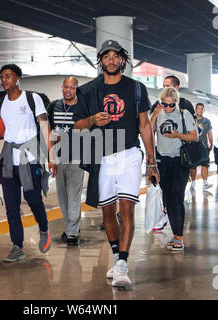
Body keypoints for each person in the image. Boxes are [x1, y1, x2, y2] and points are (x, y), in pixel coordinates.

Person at [73, 39, 159, 289]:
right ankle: (116, 256)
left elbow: (145, 125)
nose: (111, 60)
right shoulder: (88, 90)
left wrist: (151, 161)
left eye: (116, 56)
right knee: (107, 212)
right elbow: (76, 124)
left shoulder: (136, 88)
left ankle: (123, 263)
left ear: (123, 59)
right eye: (106, 56)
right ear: (101, 60)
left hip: (130, 154)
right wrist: (92, 119)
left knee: (127, 209)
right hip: (102, 157)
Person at [0, 64, 57, 262]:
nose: (4, 80)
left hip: (30, 157)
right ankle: (17, 247)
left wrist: (52, 157)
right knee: (11, 206)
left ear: (17, 78)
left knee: (33, 199)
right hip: (8, 158)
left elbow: (45, 126)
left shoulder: (31, 98)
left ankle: (44, 229)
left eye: (8, 76)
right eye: (2, 77)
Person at [150, 86, 198, 251]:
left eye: (172, 105)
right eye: (165, 104)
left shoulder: (185, 114)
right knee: (168, 199)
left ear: (176, 102)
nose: (168, 108)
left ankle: (179, 237)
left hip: (180, 161)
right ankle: (176, 233)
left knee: (177, 196)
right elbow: (148, 134)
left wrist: (177, 135)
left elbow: (194, 136)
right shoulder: (157, 114)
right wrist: (155, 114)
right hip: (163, 161)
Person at [48, 76, 85, 246]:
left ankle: (72, 233)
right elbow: (49, 132)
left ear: (76, 89)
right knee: (62, 196)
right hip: (59, 156)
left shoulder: (83, 107)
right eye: (66, 87)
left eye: (72, 87)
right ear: (62, 88)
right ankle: (71, 227)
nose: (68, 90)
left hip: (77, 157)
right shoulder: (53, 106)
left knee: (74, 195)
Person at [189, 103, 213, 190]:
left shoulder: (207, 121)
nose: (200, 110)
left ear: (203, 110)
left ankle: (205, 183)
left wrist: (211, 143)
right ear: (195, 110)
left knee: (205, 164)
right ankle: (193, 182)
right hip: (193, 145)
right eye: (198, 108)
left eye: (201, 109)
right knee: (193, 166)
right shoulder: (191, 120)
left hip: (204, 146)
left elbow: (209, 133)